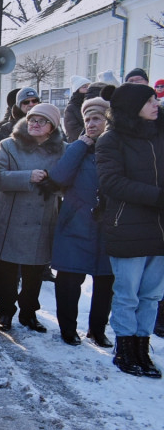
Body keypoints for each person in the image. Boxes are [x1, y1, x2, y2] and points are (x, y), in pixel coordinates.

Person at [96, 82, 164, 377]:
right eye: (149, 100)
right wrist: (158, 197)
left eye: (156, 99)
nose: (156, 104)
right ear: (132, 106)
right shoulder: (110, 140)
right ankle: (124, 349)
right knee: (128, 294)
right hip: (127, 226)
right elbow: (112, 183)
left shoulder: (160, 134)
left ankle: (141, 346)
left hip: (160, 229)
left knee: (151, 295)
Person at [0, 103, 65, 333]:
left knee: (34, 272)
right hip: (10, 216)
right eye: (32, 119)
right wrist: (27, 176)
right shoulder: (8, 145)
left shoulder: (62, 149)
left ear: (52, 127)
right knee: (6, 270)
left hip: (42, 218)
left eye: (42, 121)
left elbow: (69, 182)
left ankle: (29, 313)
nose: (35, 124)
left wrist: (54, 184)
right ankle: (5, 311)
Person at [47, 96, 114, 348]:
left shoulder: (117, 149)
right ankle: (68, 329)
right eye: (87, 119)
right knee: (68, 282)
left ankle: (98, 330)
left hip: (107, 228)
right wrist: (79, 145)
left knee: (105, 284)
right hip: (75, 224)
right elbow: (59, 177)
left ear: (109, 120)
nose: (91, 124)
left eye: (97, 118)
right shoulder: (74, 149)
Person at [64, 76, 91, 142]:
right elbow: (72, 129)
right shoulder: (71, 107)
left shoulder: (91, 103)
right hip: (78, 143)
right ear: (77, 90)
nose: (88, 89)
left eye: (89, 86)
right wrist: (90, 135)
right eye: (84, 87)